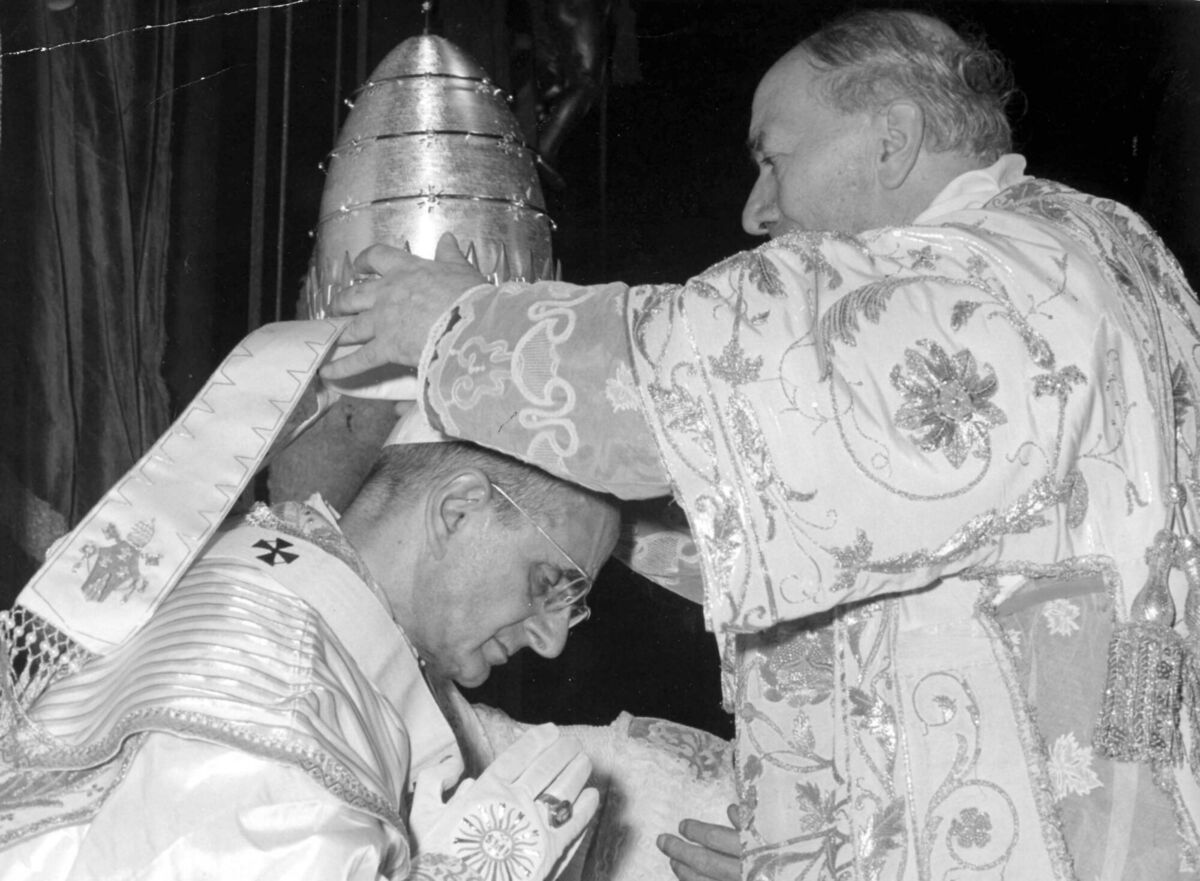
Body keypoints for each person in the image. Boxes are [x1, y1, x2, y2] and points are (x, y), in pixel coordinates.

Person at [319, 8, 1200, 880]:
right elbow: (858, 522)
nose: (756, 209)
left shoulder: (987, 275)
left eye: (774, 157)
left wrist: (458, 326)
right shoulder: (1110, 250)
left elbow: (731, 364)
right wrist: (849, 841)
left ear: (892, 136)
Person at [0, 419, 618, 880]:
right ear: (458, 509)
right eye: (548, 584)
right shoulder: (296, 704)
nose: (553, 638)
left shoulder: (249, 575)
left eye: (573, 604)